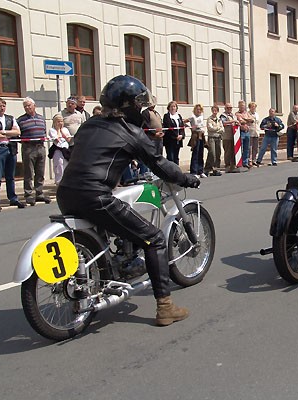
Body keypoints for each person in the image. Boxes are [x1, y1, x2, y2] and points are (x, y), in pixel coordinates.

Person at [56, 75, 200, 326]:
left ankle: (108, 272)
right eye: (139, 104)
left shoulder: (89, 126)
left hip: (66, 193)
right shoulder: (131, 132)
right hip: (95, 196)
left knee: (110, 228)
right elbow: (160, 165)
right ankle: (165, 307)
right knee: (154, 238)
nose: (142, 109)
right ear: (129, 106)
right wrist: (186, 178)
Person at [0, 98, 25, 212]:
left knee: (10, 176)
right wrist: (9, 133)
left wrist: (3, 132)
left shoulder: (10, 118)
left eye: (3, 105)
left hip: (11, 148)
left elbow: (17, 132)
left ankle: (12, 198)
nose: (2, 107)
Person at [17, 97, 51, 206]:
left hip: (40, 147)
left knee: (40, 172)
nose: (27, 107)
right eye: (25, 106)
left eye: (29, 105)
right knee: (28, 173)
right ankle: (28, 194)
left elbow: (44, 132)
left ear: (34, 106)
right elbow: (17, 136)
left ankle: (39, 193)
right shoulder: (20, 120)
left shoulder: (41, 118)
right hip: (28, 148)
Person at [47, 113, 72, 184]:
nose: (60, 123)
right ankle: (58, 182)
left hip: (65, 150)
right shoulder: (52, 130)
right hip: (58, 150)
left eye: (61, 121)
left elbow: (68, 139)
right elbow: (57, 139)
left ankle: (66, 182)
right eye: (58, 121)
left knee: (66, 166)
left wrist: (62, 131)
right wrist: (58, 130)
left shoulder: (65, 129)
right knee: (59, 166)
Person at [162, 101, 186, 165]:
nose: (173, 108)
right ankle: (170, 172)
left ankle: (176, 172)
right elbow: (168, 127)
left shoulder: (179, 116)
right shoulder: (166, 116)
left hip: (178, 140)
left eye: (174, 106)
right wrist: (176, 136)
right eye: (171, 107)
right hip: (170, 140)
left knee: (176, 157)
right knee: (170, 157)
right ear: (169, 108)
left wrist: (181, 135)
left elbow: (182, 127)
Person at [188, 104, 207, 178]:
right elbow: (184, 122)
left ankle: (200, 170)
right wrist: (190, 127)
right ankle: (194, 171)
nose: (198, 111)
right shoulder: (192, 117)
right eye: (197, 109)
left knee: (201, 153)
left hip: (201, 135)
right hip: (195, 135)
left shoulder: (201, 117)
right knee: (195, 153)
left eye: (200, 109)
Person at [205, 105, 223, 176]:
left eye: (216, 110)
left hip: (218, 137)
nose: (214, 112)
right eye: (213, 110)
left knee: (218, 153)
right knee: (212, 153)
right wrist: (218, 128)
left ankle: (216, 169)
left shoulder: (219, 119)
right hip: (212, 137)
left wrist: (217, 128)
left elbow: (222, 129)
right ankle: (207, 168)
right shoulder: (209, 119)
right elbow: (210, 128)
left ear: (218, 111)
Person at [220, 103, 239, 172]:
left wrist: (237, 123)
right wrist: (233, 121)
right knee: (228, 151)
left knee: (234, 151)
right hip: (227, 136)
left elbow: (237, 122)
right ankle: (227, 165)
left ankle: (233, 165)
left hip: (234, 136)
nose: (229, 109)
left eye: (230, 108)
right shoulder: (223, 115)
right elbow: (224, 122)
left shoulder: (233, 115)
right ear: (225, 108)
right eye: (228, 108)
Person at [235, 100, 253, 168]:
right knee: (241, 148)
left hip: (247, 132)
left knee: (247, 148)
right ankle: (240, 162)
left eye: (243, 105)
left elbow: (251, 120)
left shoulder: (247, 113)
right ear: (239, 106)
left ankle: (245, 162)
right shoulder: (237, 113)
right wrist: (246, 120)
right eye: (241, 106)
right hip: (241, 132)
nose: (242, 107)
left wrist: (245, 119)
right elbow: (241, 121)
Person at [248, 102, 260, 166]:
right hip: (250, 132)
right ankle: (249, 160)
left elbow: (257, 123)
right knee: (250, 147)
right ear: (250, 107)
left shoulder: (257, 114)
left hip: (256, 132)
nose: (253, 108)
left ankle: (254, 159)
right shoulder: (248, 114)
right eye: (252, 107)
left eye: (254, 107)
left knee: (256, 147)